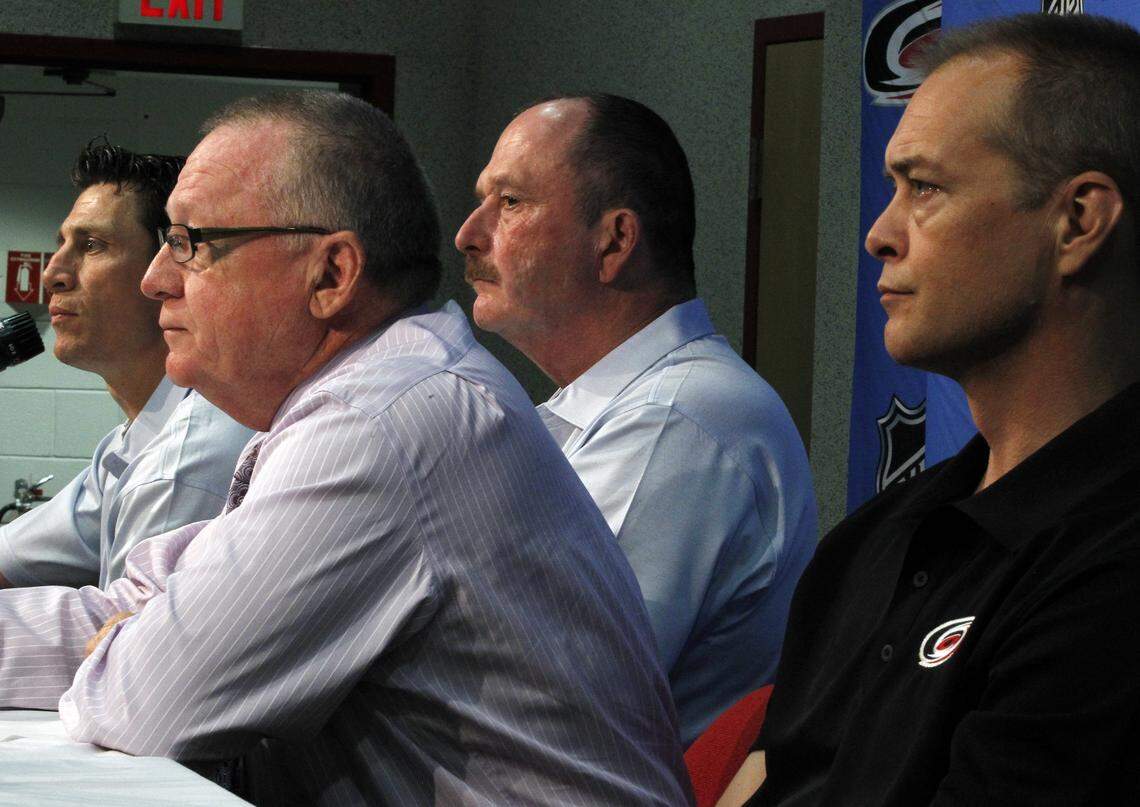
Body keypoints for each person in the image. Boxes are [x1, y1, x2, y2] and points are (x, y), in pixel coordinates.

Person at [0, 91, 692, 805]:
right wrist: (135, 633)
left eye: (191, 244)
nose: (157, 280)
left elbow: (146, 700)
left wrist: (137, 642)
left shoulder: (383, 420)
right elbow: (134, 605)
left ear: (331, 274)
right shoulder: (355, 404)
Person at [749, 13, 1140, 806]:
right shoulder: (868, 544)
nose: (878, 235)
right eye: (890, 187)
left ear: (1077, 221)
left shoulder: (1114, 568)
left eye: (924, 188)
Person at [456, 93, 818, 746]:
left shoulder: (678, 419)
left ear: (615, 239)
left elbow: (534, 695)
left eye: (509, 203)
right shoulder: (620, 405)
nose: (469, 233)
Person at [0, 143, 252, 588]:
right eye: (62, 244)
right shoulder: (129, 446)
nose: (53, 273)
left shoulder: (182, 465)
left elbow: (122, 651)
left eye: (92, 245)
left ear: (169, 267)